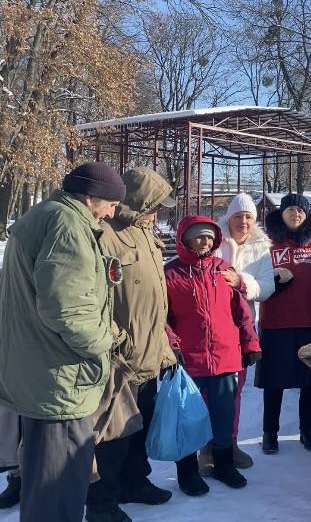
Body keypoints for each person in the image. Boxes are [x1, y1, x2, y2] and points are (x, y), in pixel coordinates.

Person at [0, 161, 126, 522]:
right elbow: (67, 311)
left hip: (41, 372)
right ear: (90, 198)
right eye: (111, 204)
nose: (112, 213)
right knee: (58, 486)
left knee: (46, 484)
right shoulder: (68, 225)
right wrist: (105, 342)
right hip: (60, 378)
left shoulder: (45, 215)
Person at [86, 167, 179, 521]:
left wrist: (164, 347)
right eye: (154, 204)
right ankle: (101, 503)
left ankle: (135, 483)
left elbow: (154, 301)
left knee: (138, 427)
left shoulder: (146, 234)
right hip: (119, 358)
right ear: (138, 201)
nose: (158, 212)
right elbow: (91, 296)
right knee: (111, 436)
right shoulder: (105, 235)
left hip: (149, 355)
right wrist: (117, 339)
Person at [165, 216, 261, 496]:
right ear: (185, 239)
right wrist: (172, 346)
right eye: (199, 236)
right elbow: (162, 317)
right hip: (189, 361)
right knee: (188, 419)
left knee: (223, 415)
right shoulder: (170, 274)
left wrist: (250, 345)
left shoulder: (224, 270)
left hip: (225, 358)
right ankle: (188, 471)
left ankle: (223, 464)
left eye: (209, 237)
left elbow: (242, 313)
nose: (205, 241)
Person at [257, 194, 311, 455]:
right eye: (291, 209)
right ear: (281, 213)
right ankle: (270, 433)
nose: (296, 214)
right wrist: (273, 282)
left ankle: (307, 430)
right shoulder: (266, 243)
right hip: (277, 321)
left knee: (310, 380)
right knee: (275, 380)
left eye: (301, 211)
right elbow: (253, 279)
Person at [201, 193, 274, 473]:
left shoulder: (262, 248)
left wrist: (241, 281)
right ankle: (206, 447)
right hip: (211, 329)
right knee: (209, 391)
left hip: (242, 331)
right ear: (228, 219)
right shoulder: (215, 242)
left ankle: (229, 443)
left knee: (234, 391)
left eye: (248, 217)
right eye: (238, 216)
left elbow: (268, 286)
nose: (243, 222)